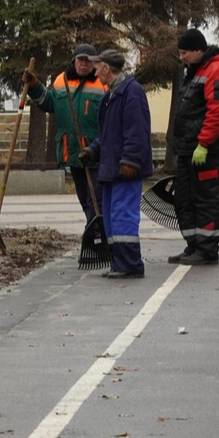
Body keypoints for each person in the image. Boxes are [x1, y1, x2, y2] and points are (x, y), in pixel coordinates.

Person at [79, 50, 152, 279]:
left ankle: (130, 264)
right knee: (112, 218)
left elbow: (137, 132)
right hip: (111, 170)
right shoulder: (111, 96)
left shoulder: (132, 93)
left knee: (123, 217)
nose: (94, 70)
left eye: (97, 66)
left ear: (107, 69)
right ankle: (118, 262)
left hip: (124, 170)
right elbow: (109, 135)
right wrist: (92, 150)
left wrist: (130, 161)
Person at [169, 28, 219, 266]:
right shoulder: (197, 70)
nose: (181, 57)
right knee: (184, 198)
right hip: (188, 147)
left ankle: (207, 250)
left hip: (204, 148)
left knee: (205, 198)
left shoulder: (216, 70)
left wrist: (204, 143)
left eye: (185, 52)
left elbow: (217, 112)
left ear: (198, 50)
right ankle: (194, 245)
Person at [23, 43, 107, 222]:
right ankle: (95, 232)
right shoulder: (62, 80)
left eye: (88, 61)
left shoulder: (103, 82)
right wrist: (34, 86)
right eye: (80, 60)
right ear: (74, 61)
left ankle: (97, 236)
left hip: (97, 154)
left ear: (95, 63)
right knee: (85, 200)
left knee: (97, 201)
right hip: (74, 153)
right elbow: (48, 102)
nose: (84, 64)